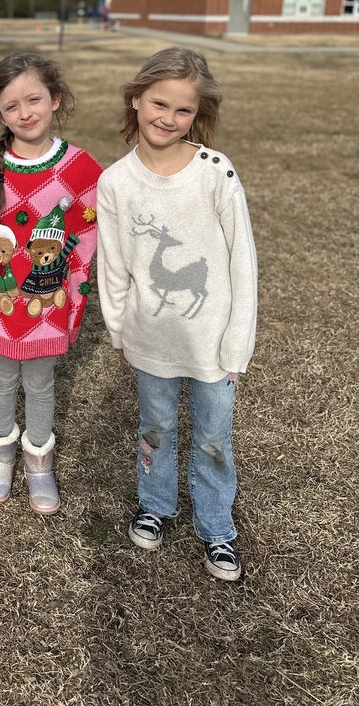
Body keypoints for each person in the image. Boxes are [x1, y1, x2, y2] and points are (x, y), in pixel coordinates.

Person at [96, 47, 257, 580]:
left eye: (182, 110)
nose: (168, 117)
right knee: (157, 425)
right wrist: (118, 326)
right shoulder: (116, 182)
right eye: (158, 103)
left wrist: (237, 341)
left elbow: (241, 262)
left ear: (198, 115)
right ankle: (155, 503)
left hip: (212, 341)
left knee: (213, 435)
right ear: (136, 99)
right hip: (151, 338)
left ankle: (216, 526)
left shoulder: (215, 172)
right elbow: (115, 265)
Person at [0, 52, 102, 513]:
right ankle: (1, 455)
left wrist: (74, 285)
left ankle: (38, 461)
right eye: (11, 106)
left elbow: (93, 227)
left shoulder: (79, 167)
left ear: (55, 100)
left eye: (34, 100)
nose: (25, 113)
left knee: (39, 383)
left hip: (46, 304)